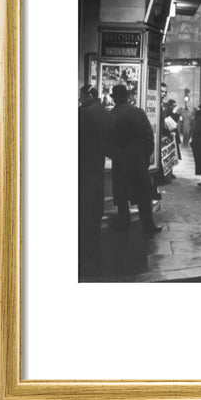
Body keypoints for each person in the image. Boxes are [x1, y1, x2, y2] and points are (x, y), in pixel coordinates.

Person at [109, 84, 162, 235]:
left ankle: (123, 223)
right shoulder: (137, 112)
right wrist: (144, 156)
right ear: (127, 97)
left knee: (121, 193)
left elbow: (107, 140)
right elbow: (148, 136)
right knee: (143, 195)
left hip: (119, 159)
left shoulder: (111, 115)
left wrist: (114, 153)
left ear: (114, 99)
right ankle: (148, 225)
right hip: (137, 158)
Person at [78, 85, 115, 278]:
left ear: (87, 95)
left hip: (83, 166)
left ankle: (85, 254)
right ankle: (94, 251)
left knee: (83, 209)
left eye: (80, 96)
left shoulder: (83, 114)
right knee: (93, 209)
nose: (79, 99)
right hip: (97, 167)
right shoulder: (106, 114)